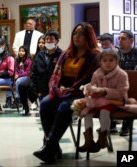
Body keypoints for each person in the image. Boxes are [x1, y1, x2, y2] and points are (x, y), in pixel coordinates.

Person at [33, 22, 100, 164]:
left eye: (81, 34)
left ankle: (49, 147)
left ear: (88, 36)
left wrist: (69, 89)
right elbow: (55, 76)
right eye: (75, 33)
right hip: (62, 91)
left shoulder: (95, 56)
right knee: (45, 103)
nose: (77, 37)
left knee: (64, 107)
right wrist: (58, 87)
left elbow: (92, 80)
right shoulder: (66, 54)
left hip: (83, 93)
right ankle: (53, 147)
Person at [78, 49, 129, 153]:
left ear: (117, 61)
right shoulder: (96, 73)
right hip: (97, 100)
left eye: (111, 60)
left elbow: (121, 92)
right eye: (104, 60)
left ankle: (102, 138)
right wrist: (89, 91)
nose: (108, 63)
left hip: (114, 100)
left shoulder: (122, 74)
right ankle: (89, 141)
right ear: (100, 62)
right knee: (87, 114)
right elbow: (92, 86)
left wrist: (105, 92)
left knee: (104, 112)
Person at [18, 30, 62, 115]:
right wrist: (36, 89)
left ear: (57, 41)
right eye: (47, 39)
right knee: (22, 85)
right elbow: (34, 72)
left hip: (55, 85)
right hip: (41, 84)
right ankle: (27, 106)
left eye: (51, 39)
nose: (49, 41)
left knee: (52, 111)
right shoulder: (39, 55)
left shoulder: (61, 54)